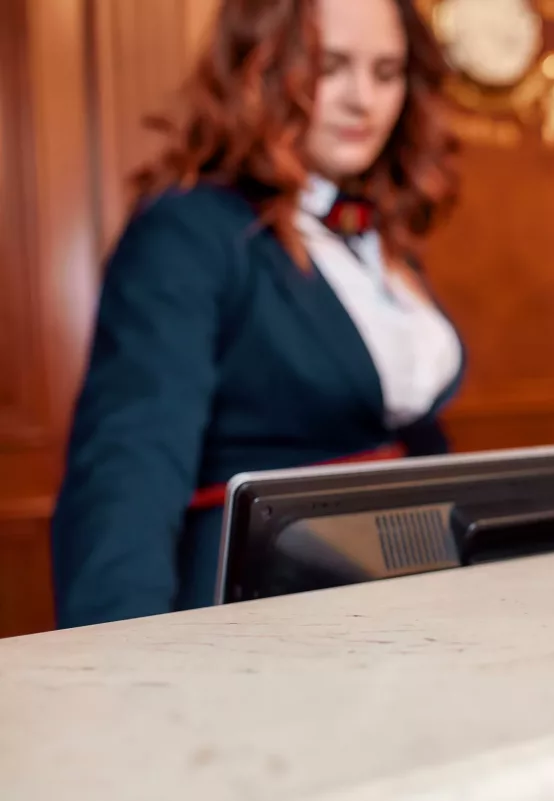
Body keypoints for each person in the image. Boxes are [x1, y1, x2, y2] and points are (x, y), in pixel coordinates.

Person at [51, 0, 464, 628]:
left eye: (387, 73)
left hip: (395, 603)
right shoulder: (186, 230)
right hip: (253, 615)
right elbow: (126, 478)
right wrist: (116, 680)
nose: (364, 100)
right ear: (261, 67)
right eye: (331, 67)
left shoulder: (380, 234)